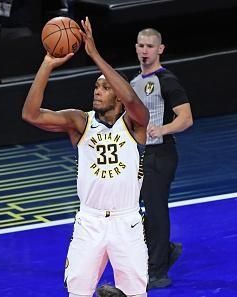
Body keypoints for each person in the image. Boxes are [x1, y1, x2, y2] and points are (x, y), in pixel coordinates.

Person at [22, 17, 150, 297]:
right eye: (95, 87)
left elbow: (131, 98)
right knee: (77, 293)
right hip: (89, 221)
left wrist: (94, 55)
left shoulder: (135, 123)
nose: (97, 91)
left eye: (104, 88)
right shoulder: (80, 122)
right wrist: (47, 64)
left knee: (135, 295)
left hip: (125, 220)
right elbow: (30, 114)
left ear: (117, 94)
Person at [130, 28, 193, 289]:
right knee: (142, 210)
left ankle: (157, 272)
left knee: (155, 211)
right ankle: (164, 249)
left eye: (150, 46)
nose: (145, 51)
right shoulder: (134, 83)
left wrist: (163, 129)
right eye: (141, 46)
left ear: (160, 49)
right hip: (141, 154)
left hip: (161, 152)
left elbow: (186, 119)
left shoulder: (167, 80)